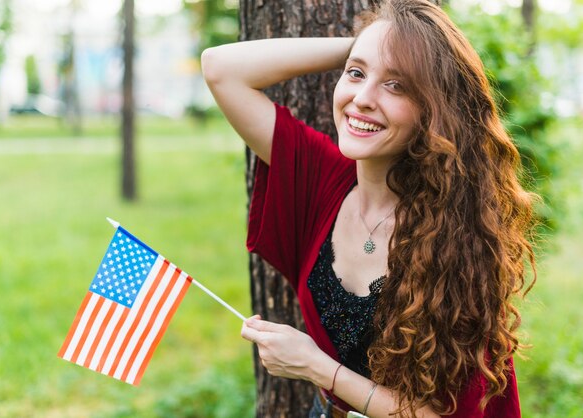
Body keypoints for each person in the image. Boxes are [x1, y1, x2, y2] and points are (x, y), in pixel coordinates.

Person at [201, 0, 536, 416]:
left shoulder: (458, 238)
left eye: (396, 85)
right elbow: (220, 68)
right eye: (355, 74)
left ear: (433, 110)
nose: (362, 99)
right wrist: (370, 42)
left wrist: (319, 368)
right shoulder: (323, 179)